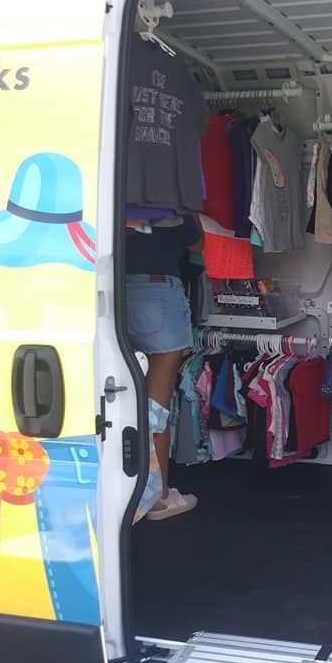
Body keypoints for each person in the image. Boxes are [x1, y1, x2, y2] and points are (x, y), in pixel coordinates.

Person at [126, 214, 203, 521]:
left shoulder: (111, 187)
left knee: (121, 395)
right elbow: (197, 241)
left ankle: (125, 491)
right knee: (156, 405)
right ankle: (156, 498)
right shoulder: (168, 192)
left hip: (115, 286)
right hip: (157, 289)